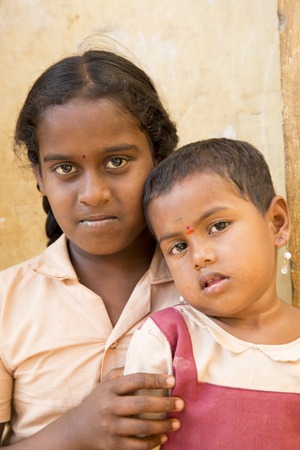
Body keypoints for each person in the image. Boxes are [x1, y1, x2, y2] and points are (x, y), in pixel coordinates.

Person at [0, 49, 186, 449]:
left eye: (117, 161)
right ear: (40, 177)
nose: (93, 194)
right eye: (65, 168)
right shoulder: (6, 302)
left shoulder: (206, 283)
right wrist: (77, 430)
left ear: (159, 159)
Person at [125, 138, 300, 449]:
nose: (199, 256)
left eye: (218, 226)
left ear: (277, 223)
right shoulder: (168, 341)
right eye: (178, 247)